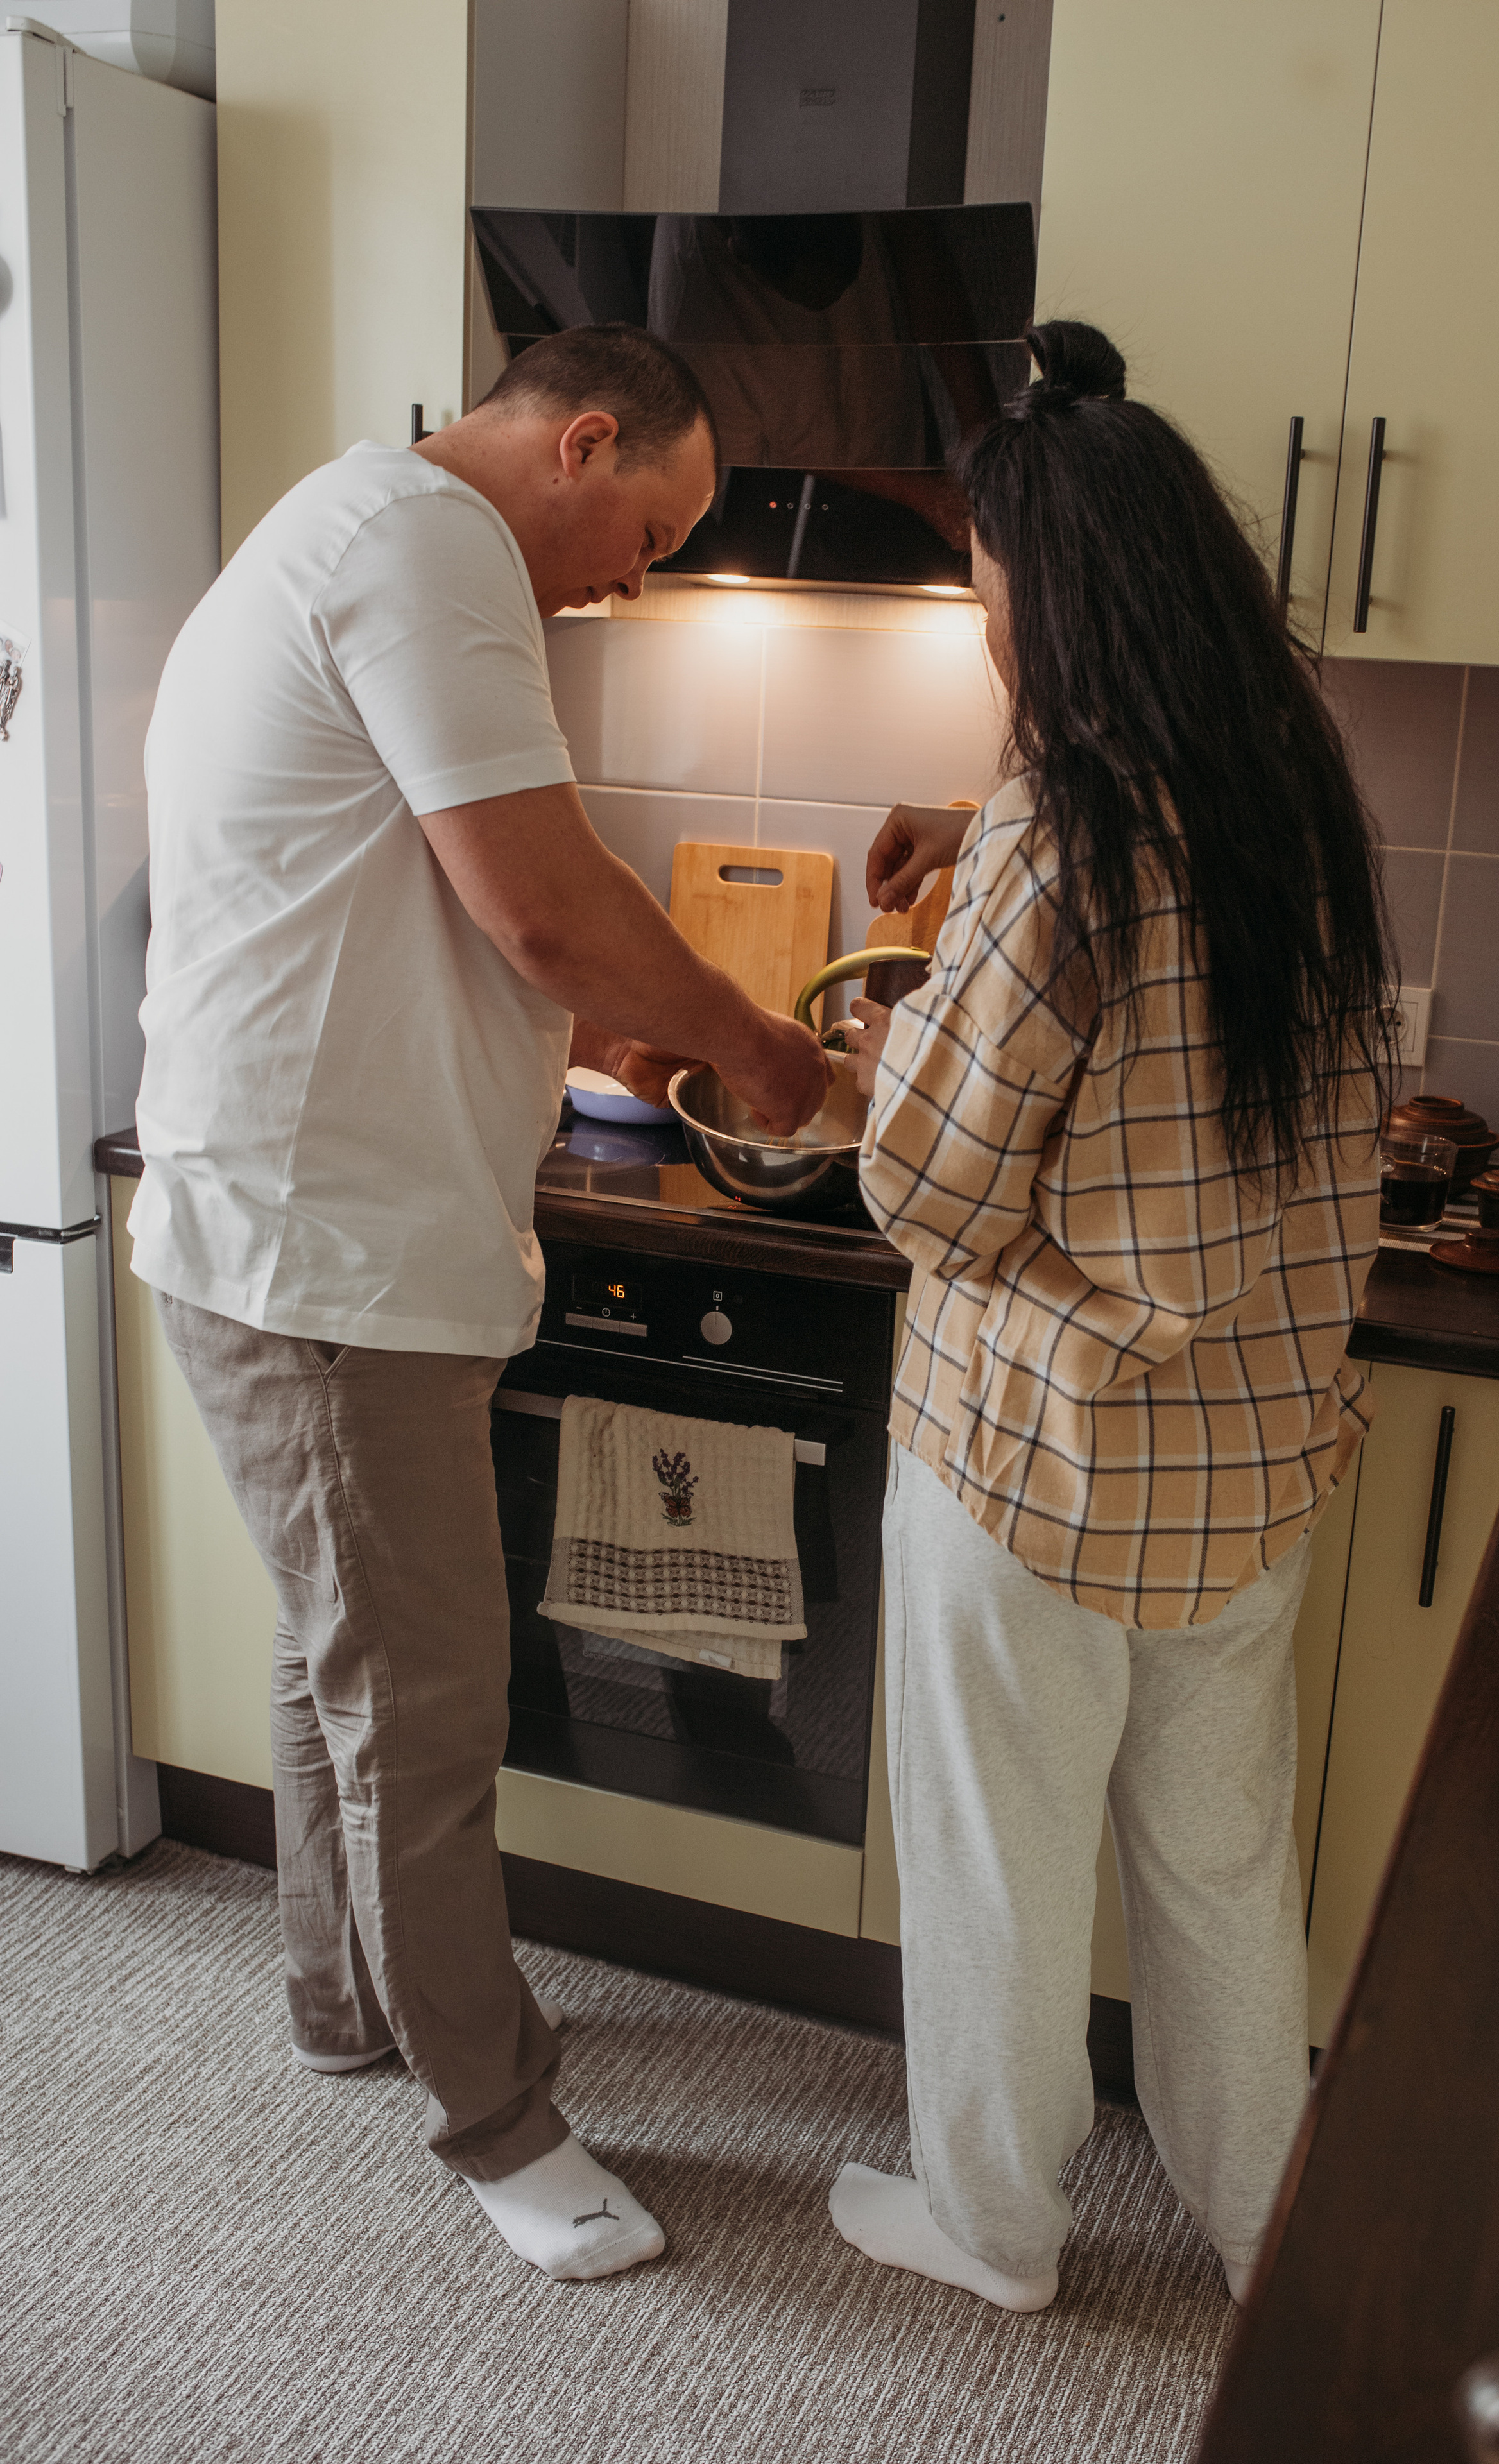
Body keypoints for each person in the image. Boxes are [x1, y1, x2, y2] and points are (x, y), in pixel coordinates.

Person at [129, 323, 829, 2282]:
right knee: (427, 1710)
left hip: (298, 1228)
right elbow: (532, 898)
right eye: (652, 526)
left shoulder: (348, 526)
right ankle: (502, 2128)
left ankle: (345, 2006)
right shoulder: (428, 552)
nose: (644, 573)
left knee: (332, 1655)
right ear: (580, 439)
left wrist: (612, 1006)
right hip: (324, 1255)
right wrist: (753, 1048)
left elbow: (439, 901)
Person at [828, 323, 1391, 2313]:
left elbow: (930, 1186)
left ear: (1053, 605)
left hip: (1040, 1466)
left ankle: (996, 2232)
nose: (989, 643)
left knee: (1000, 1863)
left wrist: (884, 1045)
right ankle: (1266, 2235)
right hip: (1248, 1460)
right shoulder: (1296, 800)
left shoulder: (1064, 822)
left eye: (989, 603)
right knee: (1225, 1875)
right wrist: (973, 850)